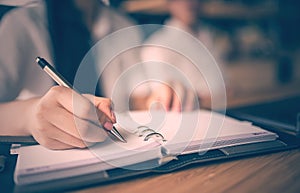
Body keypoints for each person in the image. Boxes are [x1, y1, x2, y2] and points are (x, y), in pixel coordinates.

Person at [0, 0, 147, 149]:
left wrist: (155, 97)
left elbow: (134, 96)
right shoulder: (20, 24)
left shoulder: (124, 25)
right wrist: (29, 116)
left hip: (116, 153)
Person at [141, 0, 229, 111]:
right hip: (191, 119)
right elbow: (165, 101)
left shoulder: (212, 38)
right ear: (169, 4)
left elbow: (225, 85)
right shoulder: (155, 46)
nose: (190, 2)